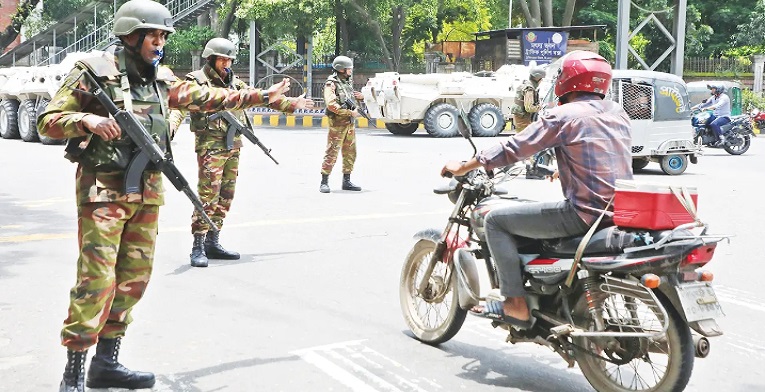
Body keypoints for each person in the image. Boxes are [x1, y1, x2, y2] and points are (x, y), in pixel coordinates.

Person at [37, 1, 313, 391]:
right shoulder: (93, 73)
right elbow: (47, 121)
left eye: (164, 36)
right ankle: (73, 373)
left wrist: (261, 96)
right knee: (96, 280)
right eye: (153, 35)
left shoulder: (161, 79)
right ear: (130, 35)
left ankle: (106, 364)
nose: (159, 42)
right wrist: (87, 120)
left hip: (147, 191)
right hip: (103, 193)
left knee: (133, 279)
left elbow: (207, 97)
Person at [441, 51, 632, 327]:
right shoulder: (617, 112)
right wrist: (567, 167)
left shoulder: (563, 115)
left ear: (567, 81)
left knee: (495, 221)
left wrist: (465, 166)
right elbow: (607, 152)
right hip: (619, 210)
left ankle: (515, 304)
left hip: (584, 214)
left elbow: (514, 147)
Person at [168, 38, 271, 268]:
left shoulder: (234, 82)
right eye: (222, 58)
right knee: (207, 196)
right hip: (210, 147)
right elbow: (179, 109)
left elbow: (257, 96)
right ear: (211, 58)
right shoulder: (196, 81)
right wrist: (169, 130)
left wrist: (289, 102)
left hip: (233, 146)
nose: (227, 63)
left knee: (226, 195)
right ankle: (198, 245)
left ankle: (213, 241)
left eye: (230, 59)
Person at [320, 55, 363, 193]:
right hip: (337, 125)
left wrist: (360, 98)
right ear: (341, 69)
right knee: (332, 151)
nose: (350, 70)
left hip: (349, 125)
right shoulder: (331, 84)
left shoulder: (346, 83)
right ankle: (324, 181)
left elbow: (351, 101)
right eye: (348, 68)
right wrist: (350, 113)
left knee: (350, 152)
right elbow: (331, 105)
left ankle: (347, 181)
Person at [511, 65, 546, 134]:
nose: (541, 81)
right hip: (523, 120)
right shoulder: (529, 89)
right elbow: (529, 108)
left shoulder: (526, 84)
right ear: (537, 78)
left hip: (521, 118)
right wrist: (539, 107)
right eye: (541, 79)